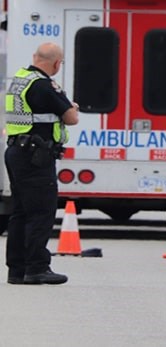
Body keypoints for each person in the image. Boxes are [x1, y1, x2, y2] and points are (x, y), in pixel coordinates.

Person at [5, 42, 79, 285]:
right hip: (36, 156)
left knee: (20, 212)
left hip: (17, 151)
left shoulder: (20, 79)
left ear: (35, 56)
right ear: (57, 63)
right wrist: (71, 108)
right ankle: (37, 267)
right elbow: (71, 117)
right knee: (41, 213)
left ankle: (17, 270)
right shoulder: (44, 85)